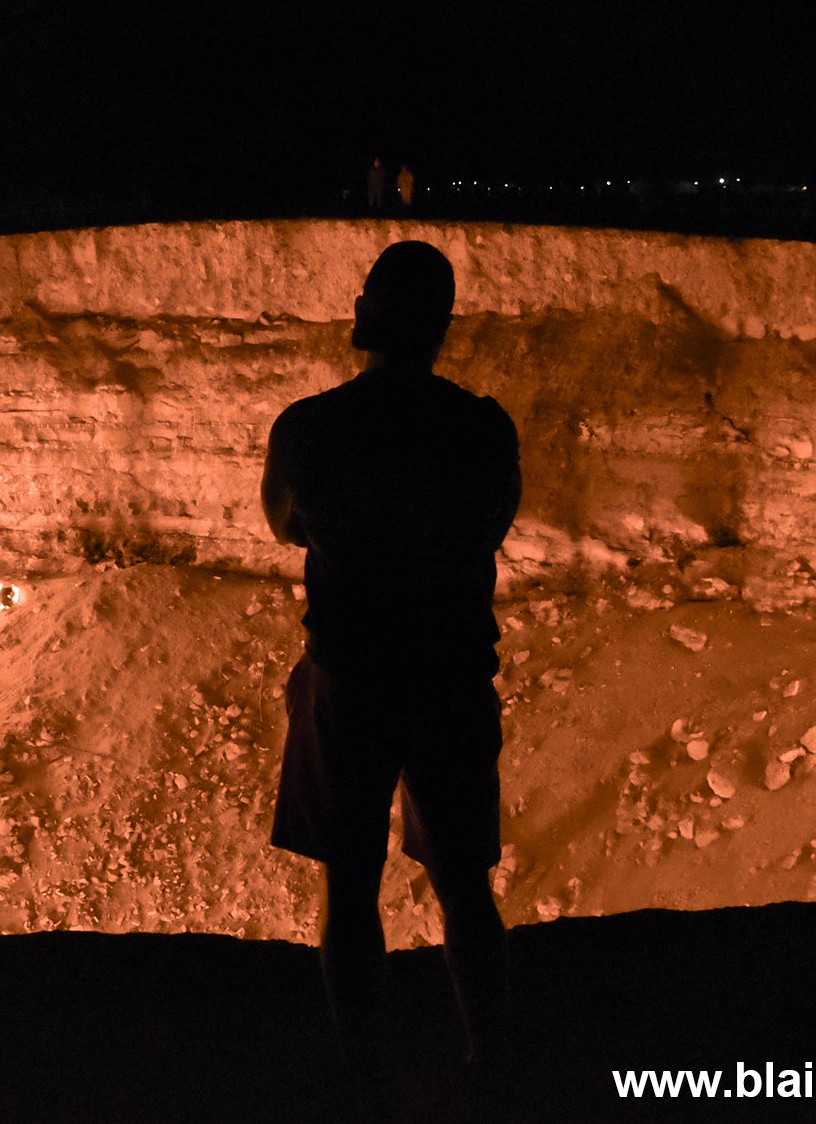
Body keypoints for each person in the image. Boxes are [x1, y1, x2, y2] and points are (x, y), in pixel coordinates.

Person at [261, 240, 520, 1114]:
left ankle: (364, 1073)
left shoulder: (312, 427)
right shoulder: (482, 427)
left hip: (352, 677)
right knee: (464, 887)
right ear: (441, 327)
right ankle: (492, 1061)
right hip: (448, 675)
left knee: (349, 885)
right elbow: (487, 526)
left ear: (369, 311)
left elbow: (285, 526)